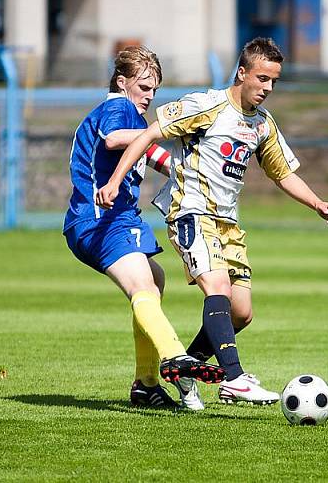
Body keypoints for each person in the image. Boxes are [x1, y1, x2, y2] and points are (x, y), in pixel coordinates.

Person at [96, 37, 328, 410]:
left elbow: (282, 173)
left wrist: (316, 202)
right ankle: (234, 379)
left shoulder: (261, 126)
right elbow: (149, 133)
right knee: (218, 286)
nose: (268, 88)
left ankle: (188, 370)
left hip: (228, 224)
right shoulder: (205, 105)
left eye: (274, 81)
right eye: (262, 78)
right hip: (191, 211)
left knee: (241, 312)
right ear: (242, 72)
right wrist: (113, 182)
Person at [64, 45, 225, 409]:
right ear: (122, 83)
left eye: (154, 90)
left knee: (154, 280)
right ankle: (175, 356)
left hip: (110, 219)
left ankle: (146, 385)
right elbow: (115, 139)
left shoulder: (133, 120)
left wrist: (186, 171)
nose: (149, 96)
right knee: (143, 286)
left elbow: (148, 152)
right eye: (143, 87)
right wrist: (161, 130)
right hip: (100, 220)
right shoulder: (117, 108)